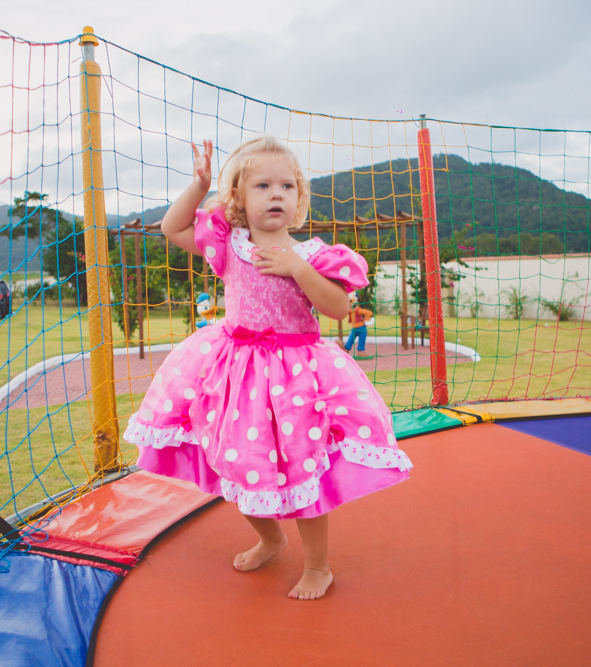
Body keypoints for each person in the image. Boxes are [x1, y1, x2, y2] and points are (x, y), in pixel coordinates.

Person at [123, 136, 412, 600]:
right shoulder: (228, 244)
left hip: (295, 380)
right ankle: (270, 539)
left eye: (286, 186)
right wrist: (199, 186)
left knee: (303, 466)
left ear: (298, 197)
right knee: (237, 462)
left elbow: (338, 308)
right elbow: (173, 229)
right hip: (238, 377)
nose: (276, 194)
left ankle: (317, 566)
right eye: (262, 186)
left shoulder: (313, 255)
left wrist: (298, 269)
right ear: (238, 198)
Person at [343, 292, 373, 356]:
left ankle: (361, 350)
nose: (350, 302)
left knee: (362, 339)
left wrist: (366, 319)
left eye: (352, 300)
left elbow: (369, 313)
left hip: (361, 328)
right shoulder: (350, 310)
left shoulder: (358, 310)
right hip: (354, 328)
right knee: (351, 339)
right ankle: (346, 349)